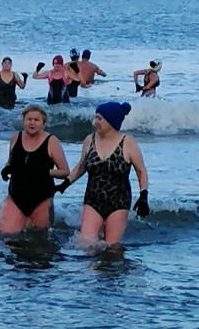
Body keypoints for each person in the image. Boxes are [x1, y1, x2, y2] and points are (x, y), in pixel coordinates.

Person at [53, 101, 149, 247]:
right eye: (95, 117)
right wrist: (65, 184)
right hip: (92, 200)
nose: (94, 122)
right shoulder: (89, 140)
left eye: (99, 118)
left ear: (111, 121)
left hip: (119, 202)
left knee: (112, 248)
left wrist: (143, 196)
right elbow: (82, 166)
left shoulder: (127, 142)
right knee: (86, 244)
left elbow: (141, 171)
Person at [0, 104, 70, 234]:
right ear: (23, 121)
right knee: (6, 234)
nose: (32, 123)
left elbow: (65, 172)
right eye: (29, 119)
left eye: (36, 120)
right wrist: (6, 169)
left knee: (40, 239)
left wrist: (46, 172)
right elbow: (11, 161)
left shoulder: (51, 141)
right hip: (16, 196)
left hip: (41, 198)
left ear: (43, 123)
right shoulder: (15, 138)